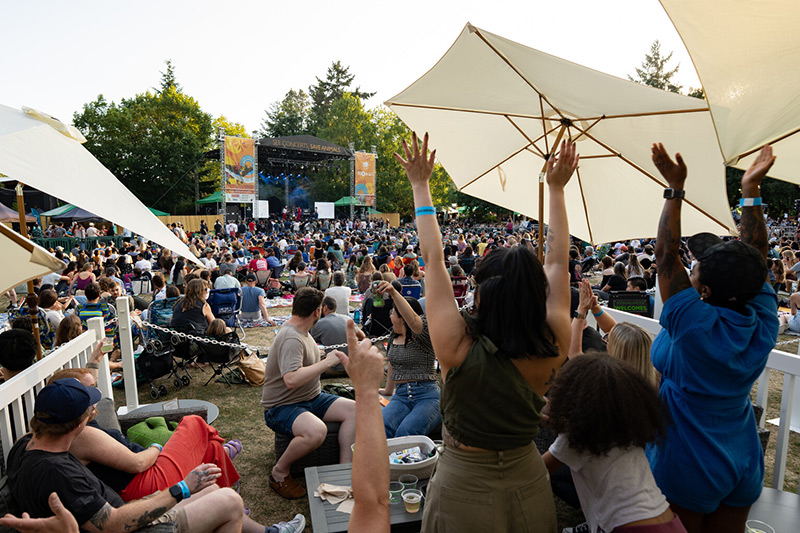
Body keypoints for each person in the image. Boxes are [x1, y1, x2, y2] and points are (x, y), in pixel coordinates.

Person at [397, 133, 576, 532]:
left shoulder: (456, 346)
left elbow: (432, 257)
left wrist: (420, 184)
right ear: (538, 293)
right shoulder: (555, 339)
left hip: (464, 485)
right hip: (529, 479)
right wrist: (557, 189)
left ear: (482, 292)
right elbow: (559, 260)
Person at [646, 143, 778, 533]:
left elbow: (666, 257)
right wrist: (750, 188)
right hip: (741, 453)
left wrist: (675, 189)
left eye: (696, 270)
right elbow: (756, 254)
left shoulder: (694, 325)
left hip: (688, 457)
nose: (690, 270)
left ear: (701, 292)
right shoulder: (762, 317)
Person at [6, 378, 303, 533]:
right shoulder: (57, 471)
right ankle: (221, 455)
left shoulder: (26, 446)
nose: (95, 412)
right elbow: (112, 524)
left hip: (124, 506)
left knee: (211, 485)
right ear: (80, 424)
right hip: (132, 525)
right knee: (229, 500)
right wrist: (181, 488)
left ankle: (222, 458)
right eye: (90, 411)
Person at [542, 354, 684, 533]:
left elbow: (538, 471)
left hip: (627, 526)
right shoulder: (630, 428)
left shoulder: (576, 439)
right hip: (668, 520)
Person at [261, 287, 356, 499]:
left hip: (311, 398)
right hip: (282, 406)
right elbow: (291, 379)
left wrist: (324, 356)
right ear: (317, 311)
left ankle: (344, 470)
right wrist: (327, 362)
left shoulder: (302, 332)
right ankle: (279, 472)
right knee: (317, 431)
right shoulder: (292, 337)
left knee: (354, 410)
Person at [374, 281, 440, 438]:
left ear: (403, 318)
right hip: (401, 395)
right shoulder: (393, 336)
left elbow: (414, 322)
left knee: (406, 432)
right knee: (380, 428)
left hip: (427, 395)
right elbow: (392, 363)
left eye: (393, 313)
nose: (390, 316)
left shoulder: (423, 335)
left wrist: (394, 293)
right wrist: (388, 390)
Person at [311, 296, 366, 376]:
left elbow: (308, 342)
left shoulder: (319, 324)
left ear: (325, 308)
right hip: (353, 367)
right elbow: (362, 336)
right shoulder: (347, 318)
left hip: (335, 368)